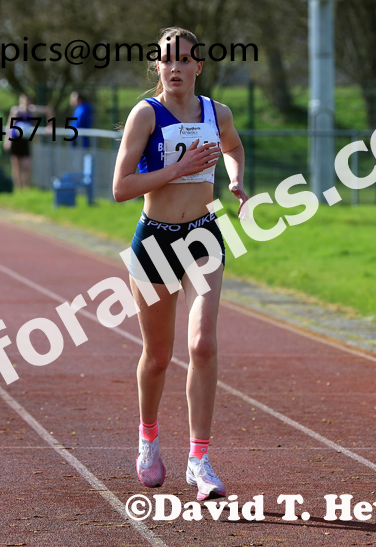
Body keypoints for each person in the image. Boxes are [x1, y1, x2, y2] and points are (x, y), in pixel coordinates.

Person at [112, 27, 249, 501]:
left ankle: (199, 460)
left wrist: (236, 179)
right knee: (157, 356)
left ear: (198, 66)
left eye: (184, 59)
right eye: (167, 60)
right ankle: (148, 438)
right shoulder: (145, 114)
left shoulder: (217, 113)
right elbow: (120, 188)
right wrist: (178, 169)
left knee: (203, 344)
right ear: (158, 66)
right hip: (155, 240)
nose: (175, 67)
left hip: (204, 236)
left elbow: (234, 147)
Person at [5, 94, 53, 190]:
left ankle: (27, 188)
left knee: (27, 165)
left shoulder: (32, 110)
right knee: (16, 165)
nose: (26, 103)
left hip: (25, 140)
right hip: (15, 139)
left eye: (27, 100)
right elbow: (9, 125)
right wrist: (7, 140)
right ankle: (18, 188)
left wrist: (50, 126)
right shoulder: (16, 111)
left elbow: (49, 110)